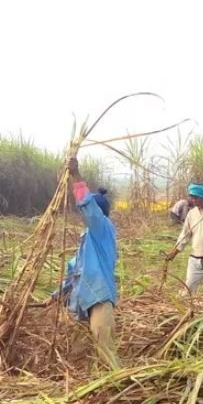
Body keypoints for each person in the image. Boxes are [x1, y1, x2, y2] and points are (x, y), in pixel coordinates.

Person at [52, 157, 120, 369]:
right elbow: (75, 272)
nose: (83, 215)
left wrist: (76, 175)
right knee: (81, 352)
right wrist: (56, 296)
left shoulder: (102, 229)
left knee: (106, 351)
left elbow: (88, 207)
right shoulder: (87, 237)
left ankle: (118, 383)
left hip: (99, 298)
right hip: (83, 302)